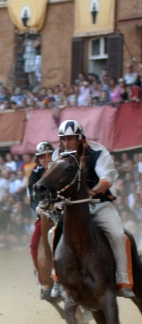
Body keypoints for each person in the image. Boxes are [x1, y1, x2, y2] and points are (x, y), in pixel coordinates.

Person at [53, 120, 135, 299]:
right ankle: (57, 279)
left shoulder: (97, 151)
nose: (66, 142)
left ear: (80, 137)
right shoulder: (58, 155)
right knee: (53, 232)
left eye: (70, 138)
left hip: (99, 204)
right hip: (72, 209)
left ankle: (123, 280)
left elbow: (107, 177)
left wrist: (93, 190)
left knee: (118, 235)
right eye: (63, 139)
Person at [27, 142, 56, 300]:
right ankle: (43, 282)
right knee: (33, 244)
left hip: (63, 211)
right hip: (44, 214)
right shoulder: (36, 171)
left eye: (48, 155)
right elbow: (31, 194)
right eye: (41, 157)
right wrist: (37, 207)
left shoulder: (62, 166)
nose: (45, 159)